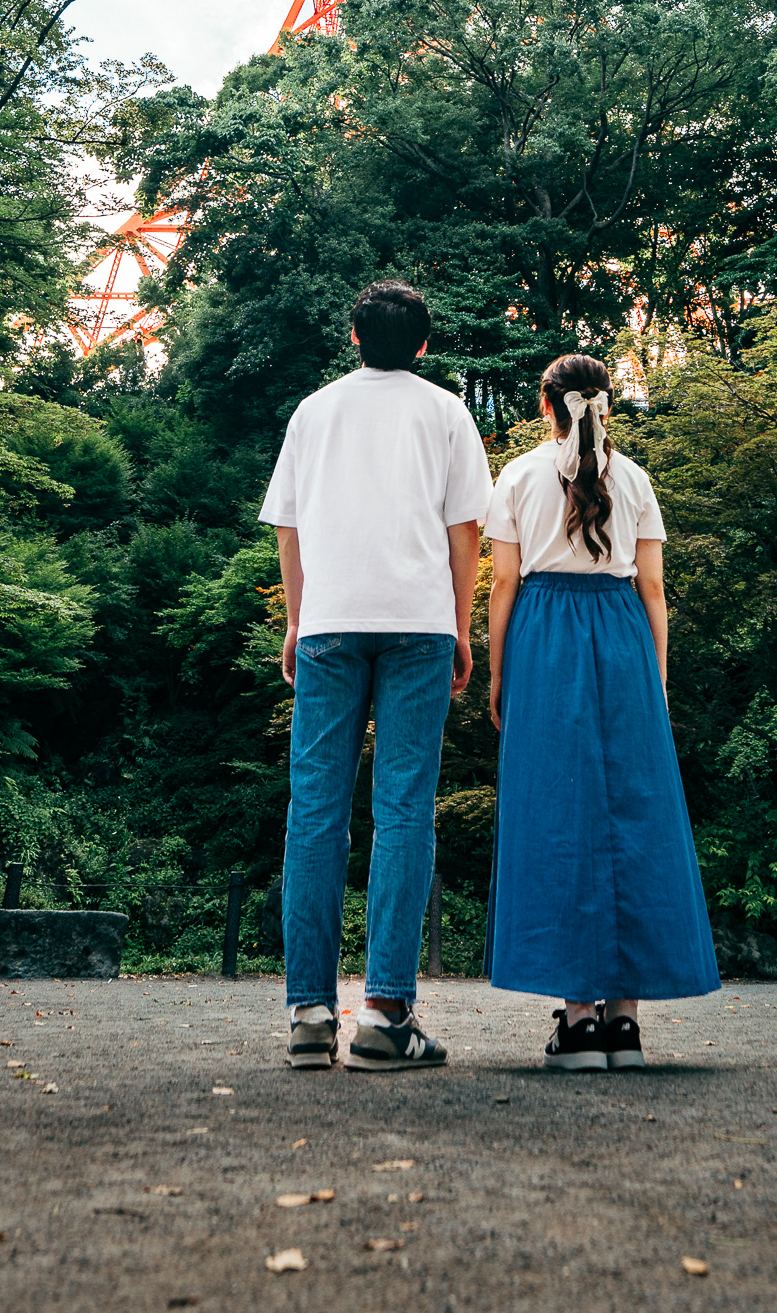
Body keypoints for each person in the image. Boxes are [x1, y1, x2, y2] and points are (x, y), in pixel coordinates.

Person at [261, 278, 493, 1071]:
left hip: (329, 623)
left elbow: (288, 530)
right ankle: (387, 1014)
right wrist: (462, 627)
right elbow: (466, 534)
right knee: (403, 810)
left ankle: (310, 1013)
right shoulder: (447, 412)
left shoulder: (313, 410)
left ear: (354, 337)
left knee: (315, 813)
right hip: (420, 626)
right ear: (424, 343)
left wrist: (297, 619)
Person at [483, 351, 719, 1069]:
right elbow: (652, 587)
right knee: (634, 813)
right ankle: (626, 1025)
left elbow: (502, 585)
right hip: (621, 635)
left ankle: (577, 1020)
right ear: (606, 406)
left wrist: (498, 676)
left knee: (559, 814)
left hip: (546, 635)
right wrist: (658, 673)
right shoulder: (637, 477)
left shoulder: (520, 475)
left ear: (547, 406)